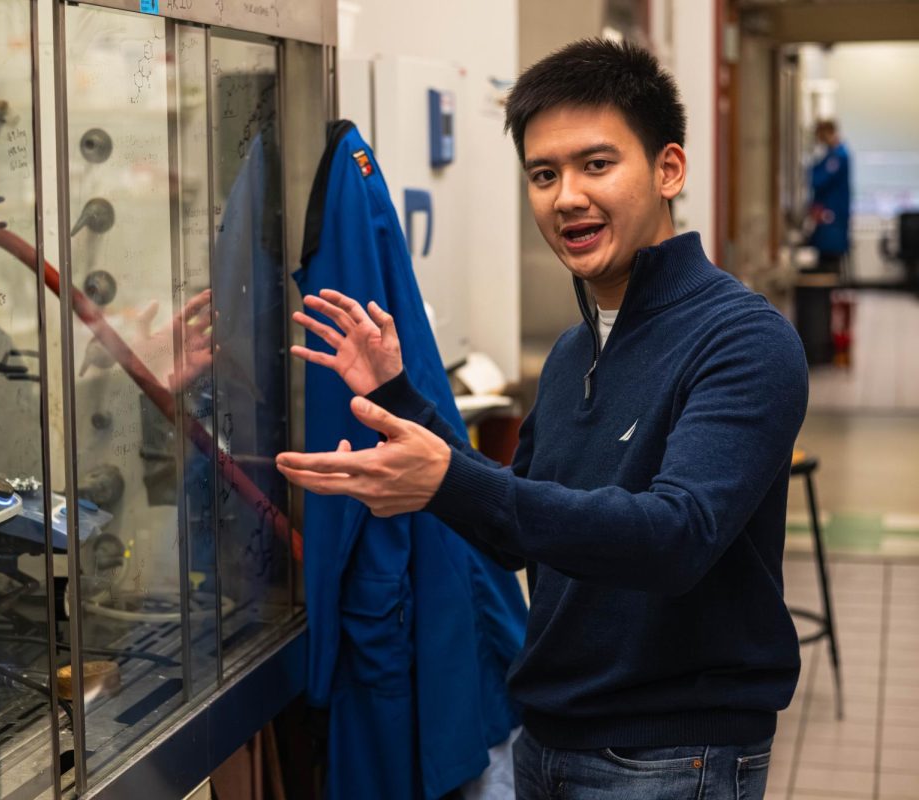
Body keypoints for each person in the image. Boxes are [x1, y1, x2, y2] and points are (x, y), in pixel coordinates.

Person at [276, 38, 808, 799]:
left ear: (668, 170)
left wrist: (445, 478)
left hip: (670, 757)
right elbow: (512, 523)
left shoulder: (744, 340)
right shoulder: (572, 352)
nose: (566, 198)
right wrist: (399, 398)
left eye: (597, 165)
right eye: (543, 174)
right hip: (548, 743)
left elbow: (675, 537)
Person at [807, 119, 852, 276]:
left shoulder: (838, 157)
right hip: (828, 217)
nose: (819, 140)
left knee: (829, 265)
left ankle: (828, 298)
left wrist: (810, 167)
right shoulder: (832, 155)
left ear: (827, 133)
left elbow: (818, 180)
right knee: (825, 261)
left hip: (833, 218)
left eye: (820, 136)